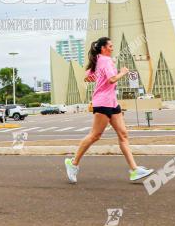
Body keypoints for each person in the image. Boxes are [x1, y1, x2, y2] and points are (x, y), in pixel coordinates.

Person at [65, 37, 153, 184]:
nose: (113, 48)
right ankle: (73, 164)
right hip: (103, 102)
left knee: (123, 134)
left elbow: (88, 77)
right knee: (95, 135)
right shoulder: (105, 60)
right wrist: (123, 72)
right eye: (110, 46)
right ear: (103, 48)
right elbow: (112, 79)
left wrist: (99, 77)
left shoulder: (99, 60)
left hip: (112, 102)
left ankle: (134, 170)